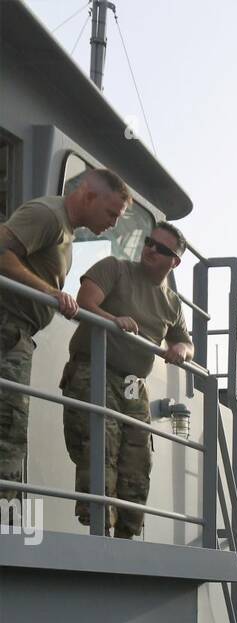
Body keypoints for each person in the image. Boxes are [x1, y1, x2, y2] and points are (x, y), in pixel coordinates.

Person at [0, 169, 131, 499]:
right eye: (111, 213)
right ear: (88, 196)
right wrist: (53, 293)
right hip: (6, 329)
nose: (113, 223)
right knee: (6, 433)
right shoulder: (48, 215)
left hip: (16, 334)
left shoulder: (65, 230)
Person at [61, 221, 194, 537]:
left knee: (137, 458)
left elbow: (187, 343)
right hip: (94, 368)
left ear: (174, 261)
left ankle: (126, 534)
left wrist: (180, 349)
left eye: (161, 248)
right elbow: (85, 303)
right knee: (100, 445)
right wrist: (114, 320)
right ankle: (99, 531)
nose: (150, 249)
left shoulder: (172, 303)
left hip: (134, 383)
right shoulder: (115, 269)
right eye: (149, 242)